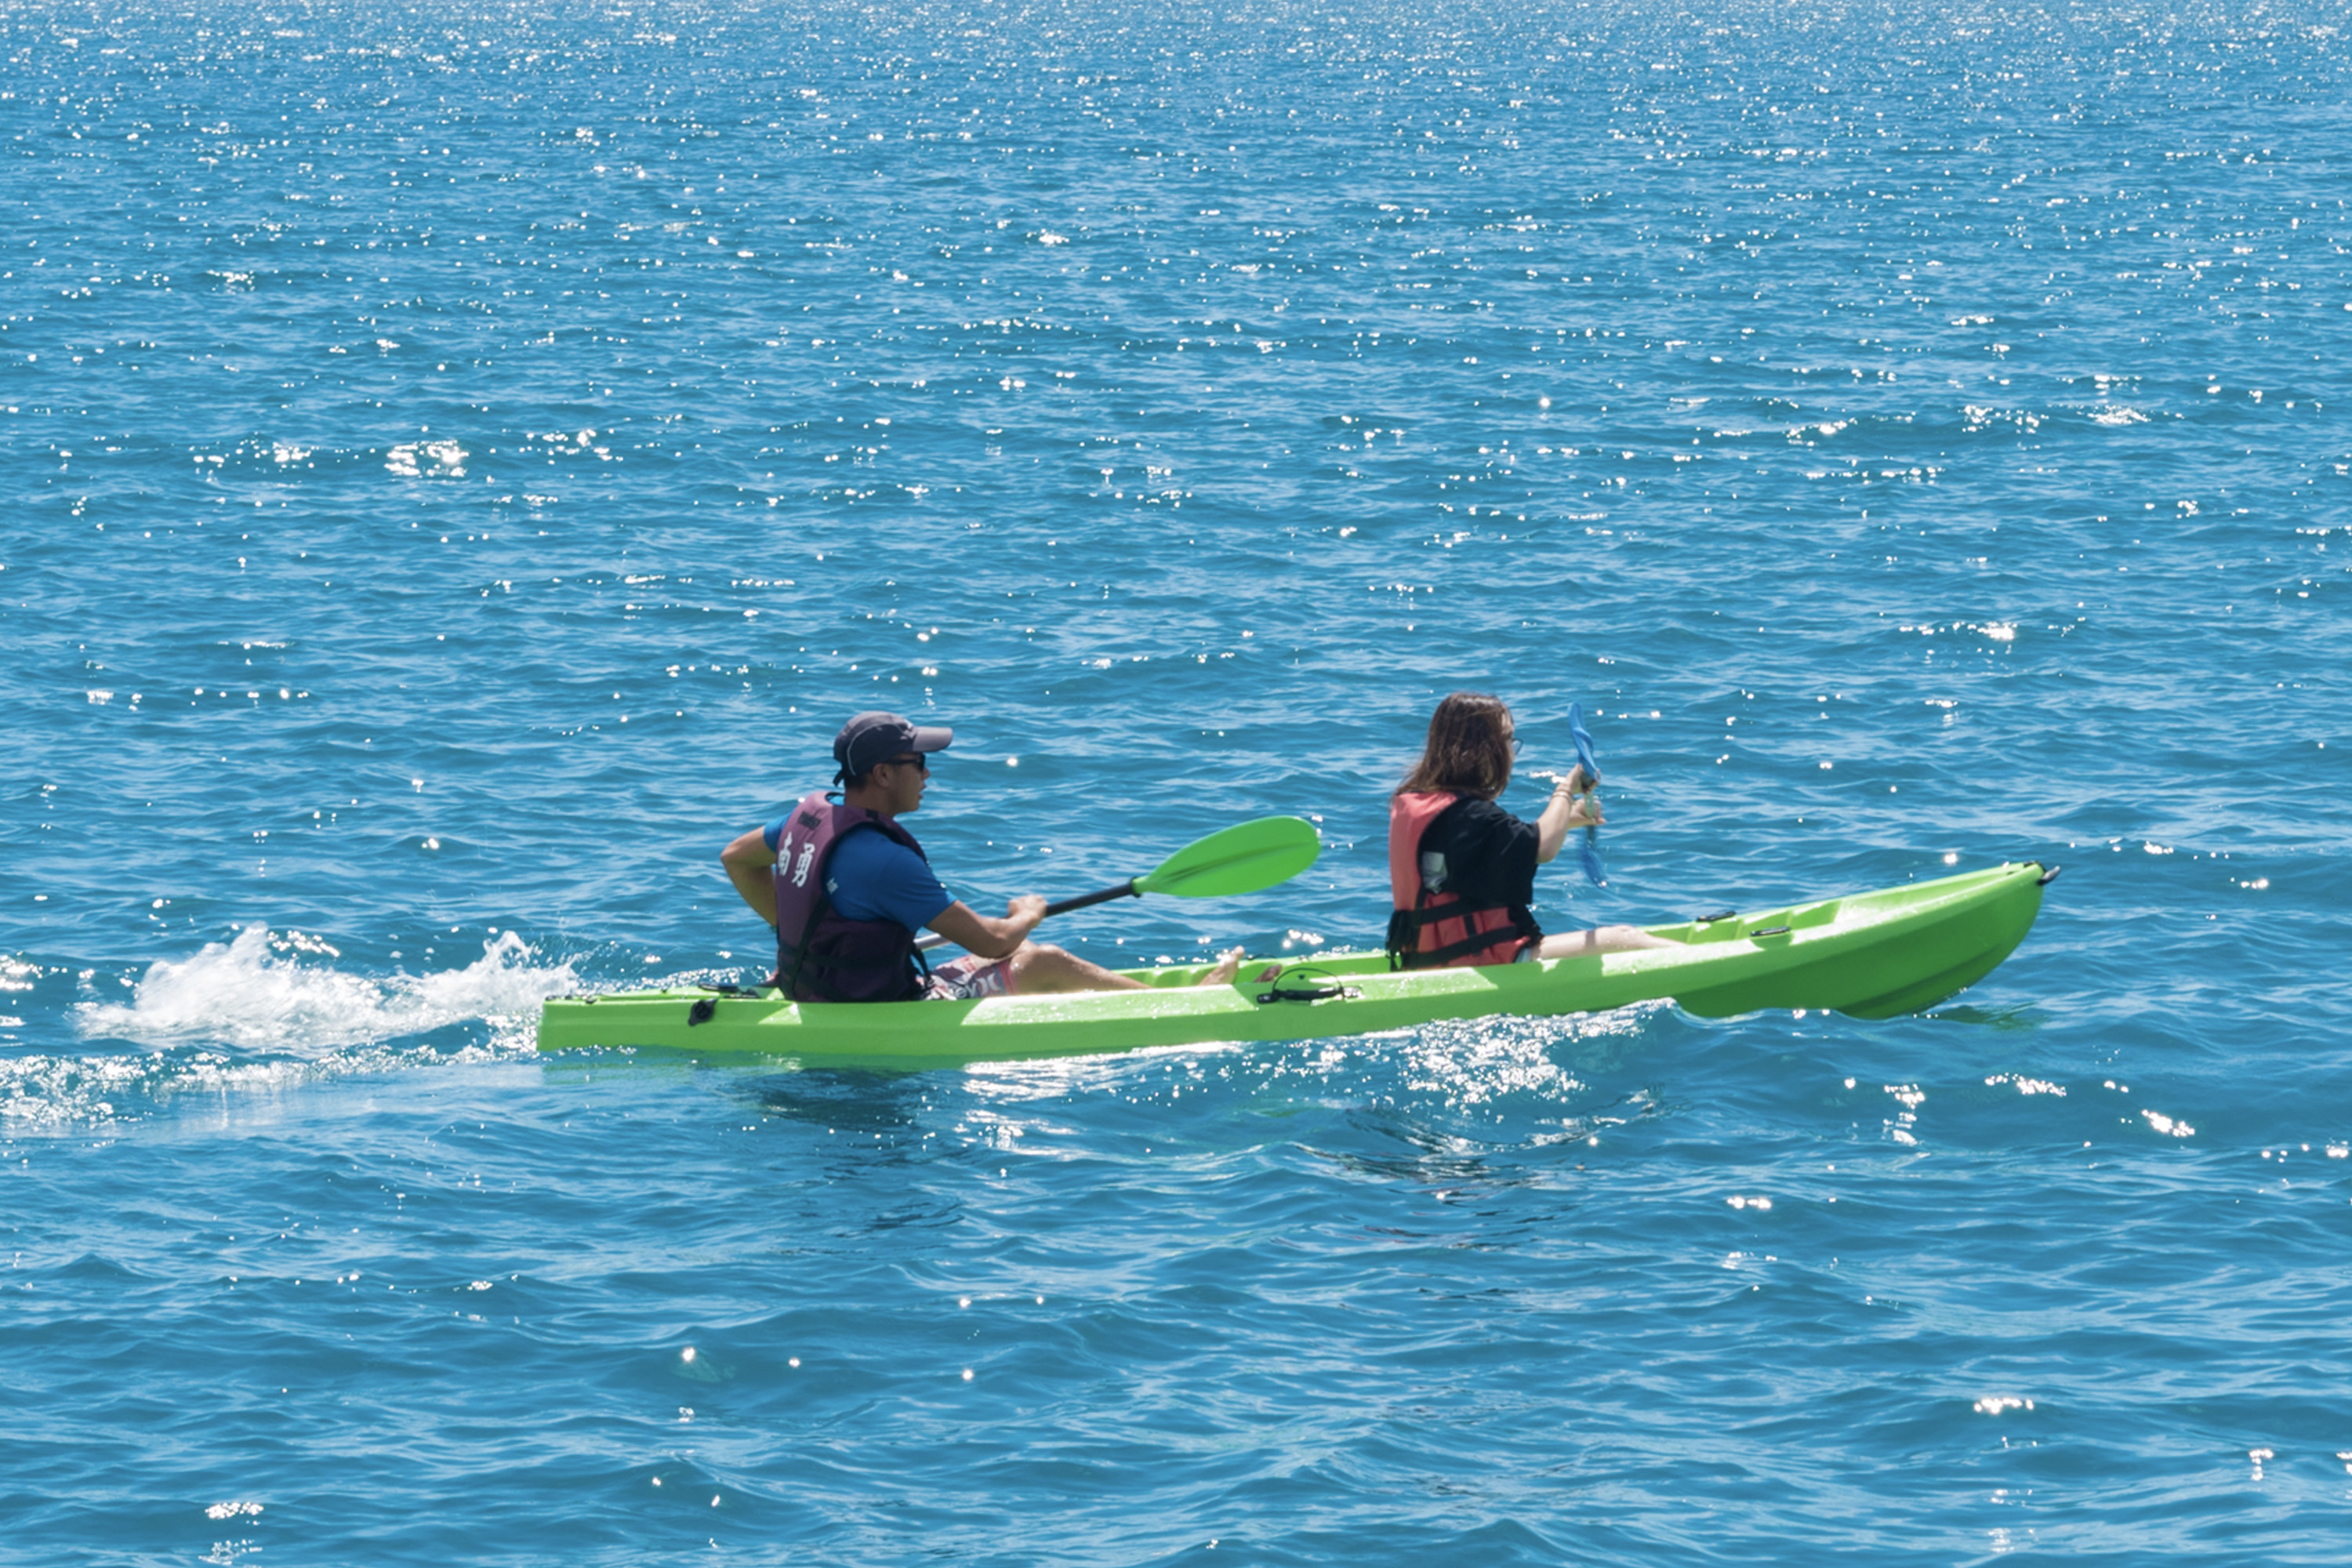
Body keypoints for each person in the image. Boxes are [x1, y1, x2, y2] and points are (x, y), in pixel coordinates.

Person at [720, 711, 1243, 1003]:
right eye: (918, 763)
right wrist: (1027, 916)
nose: (928, 775)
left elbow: (737, 858)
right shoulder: (883, 862)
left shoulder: (805, 820)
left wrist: (799, 932)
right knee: (1041, 959)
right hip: (875, 1006)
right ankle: (1190, 1004)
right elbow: (993, 942)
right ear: (882, 775)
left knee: (1000, 954)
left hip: (806, 988)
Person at [1386, 692, 1674, 969]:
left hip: (1431, 961)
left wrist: (1569, 819)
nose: (1512, 753)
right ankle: (1715, 962)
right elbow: (1542, 848)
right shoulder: (1467, 815)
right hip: (1483, 961)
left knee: (1622, 937)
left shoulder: (1425, 804)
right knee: (1621, 938)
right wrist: (1566, 789)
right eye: (1508, 741)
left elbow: (1505, 844)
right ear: (1482, 748)